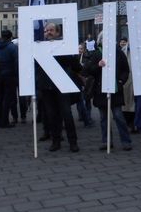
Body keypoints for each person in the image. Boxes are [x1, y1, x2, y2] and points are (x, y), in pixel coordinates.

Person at [35, 23, 82, 153]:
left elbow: (74, 65)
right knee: (51, 115)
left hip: (62, 85)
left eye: (51, 30)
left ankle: (73, 142)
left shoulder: (64, 46)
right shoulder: (39, 47)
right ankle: (56, 141)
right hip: (46, 86)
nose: (48, 32)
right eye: (46, 30)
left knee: (66, 114)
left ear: (57, 33)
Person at [83, 31, 132, 151]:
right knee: (103, 118)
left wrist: (120, 81)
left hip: (115, 90)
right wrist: (97, 65)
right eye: (104, 39)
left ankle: (126, 141)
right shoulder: (96, 54)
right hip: (100, 92)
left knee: (118, 116)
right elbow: (87, 70)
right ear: (100, 41)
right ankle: (106, 141)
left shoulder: (118, 53)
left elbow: (125, 70)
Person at [0, 30, 18, 129]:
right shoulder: (13, 47)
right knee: (7, 100)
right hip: (10, 76)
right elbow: (16, 63)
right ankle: (5, 121)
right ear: (10, 37)